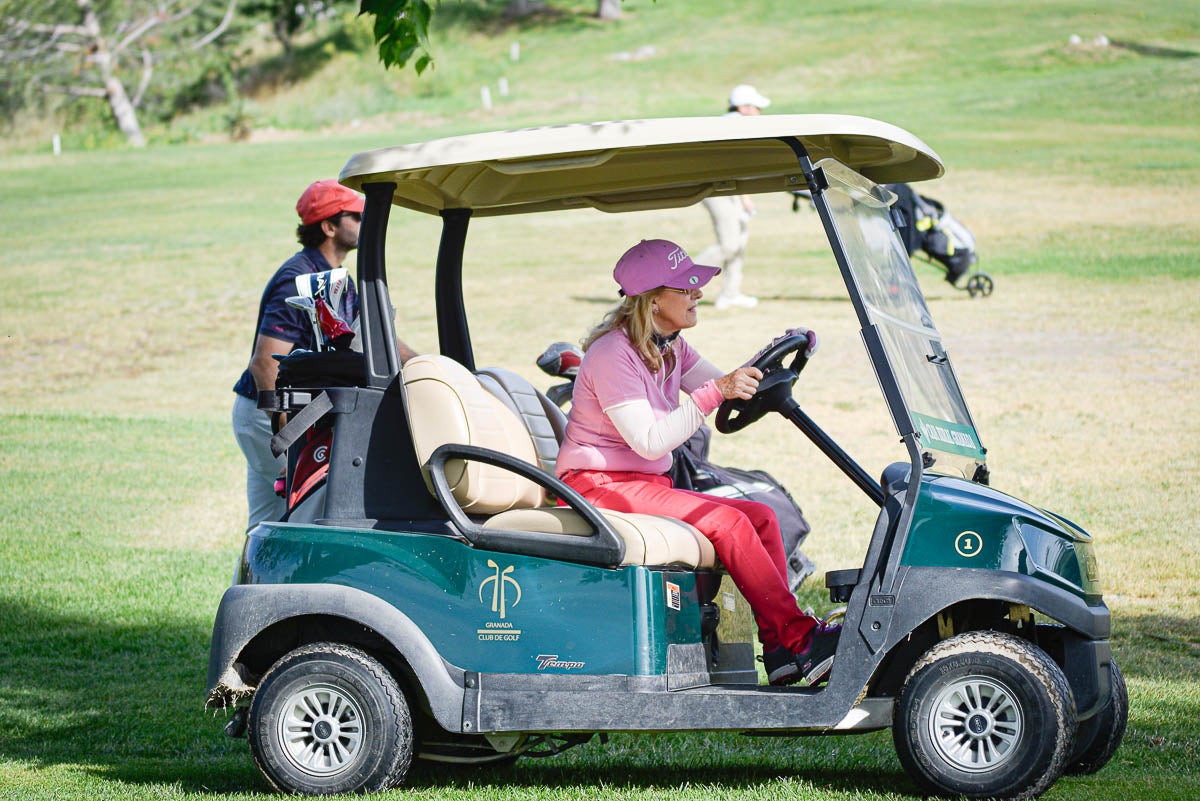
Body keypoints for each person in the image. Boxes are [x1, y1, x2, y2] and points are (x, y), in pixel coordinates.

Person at [556, 238, 840, 686]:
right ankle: (801, 639)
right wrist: (715, 394)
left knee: (761, 517)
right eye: (686, 288)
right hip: (598, 486)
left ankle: (781, 648)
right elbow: (651, 442)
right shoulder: (612, 355)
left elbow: (725, 385)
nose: (698, 294)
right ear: (653, 301)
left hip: (640, 484)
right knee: (728, 523)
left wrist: (774, 359)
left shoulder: (670, 347)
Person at [232, 179, 418, 529]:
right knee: (304, 515)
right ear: (329, 227)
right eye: (356, 217)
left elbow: (376, 338)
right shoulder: (298, 277)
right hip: (270, 413)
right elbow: (264, 364)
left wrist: (427, 365)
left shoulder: (337, 279)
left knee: (268, 524)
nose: (365, 222)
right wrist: (290, 435)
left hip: (286, 411)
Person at [697, 84, 772, 310]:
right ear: (743, 107)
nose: (759, 112)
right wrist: (744, 197)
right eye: (756, 107)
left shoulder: (735, 124)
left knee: (739, 242)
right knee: (729, 245)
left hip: (728, 189)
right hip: (718, 191)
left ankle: (730, 294)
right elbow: (732, 166)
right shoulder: (733, 126)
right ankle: (675, 282)